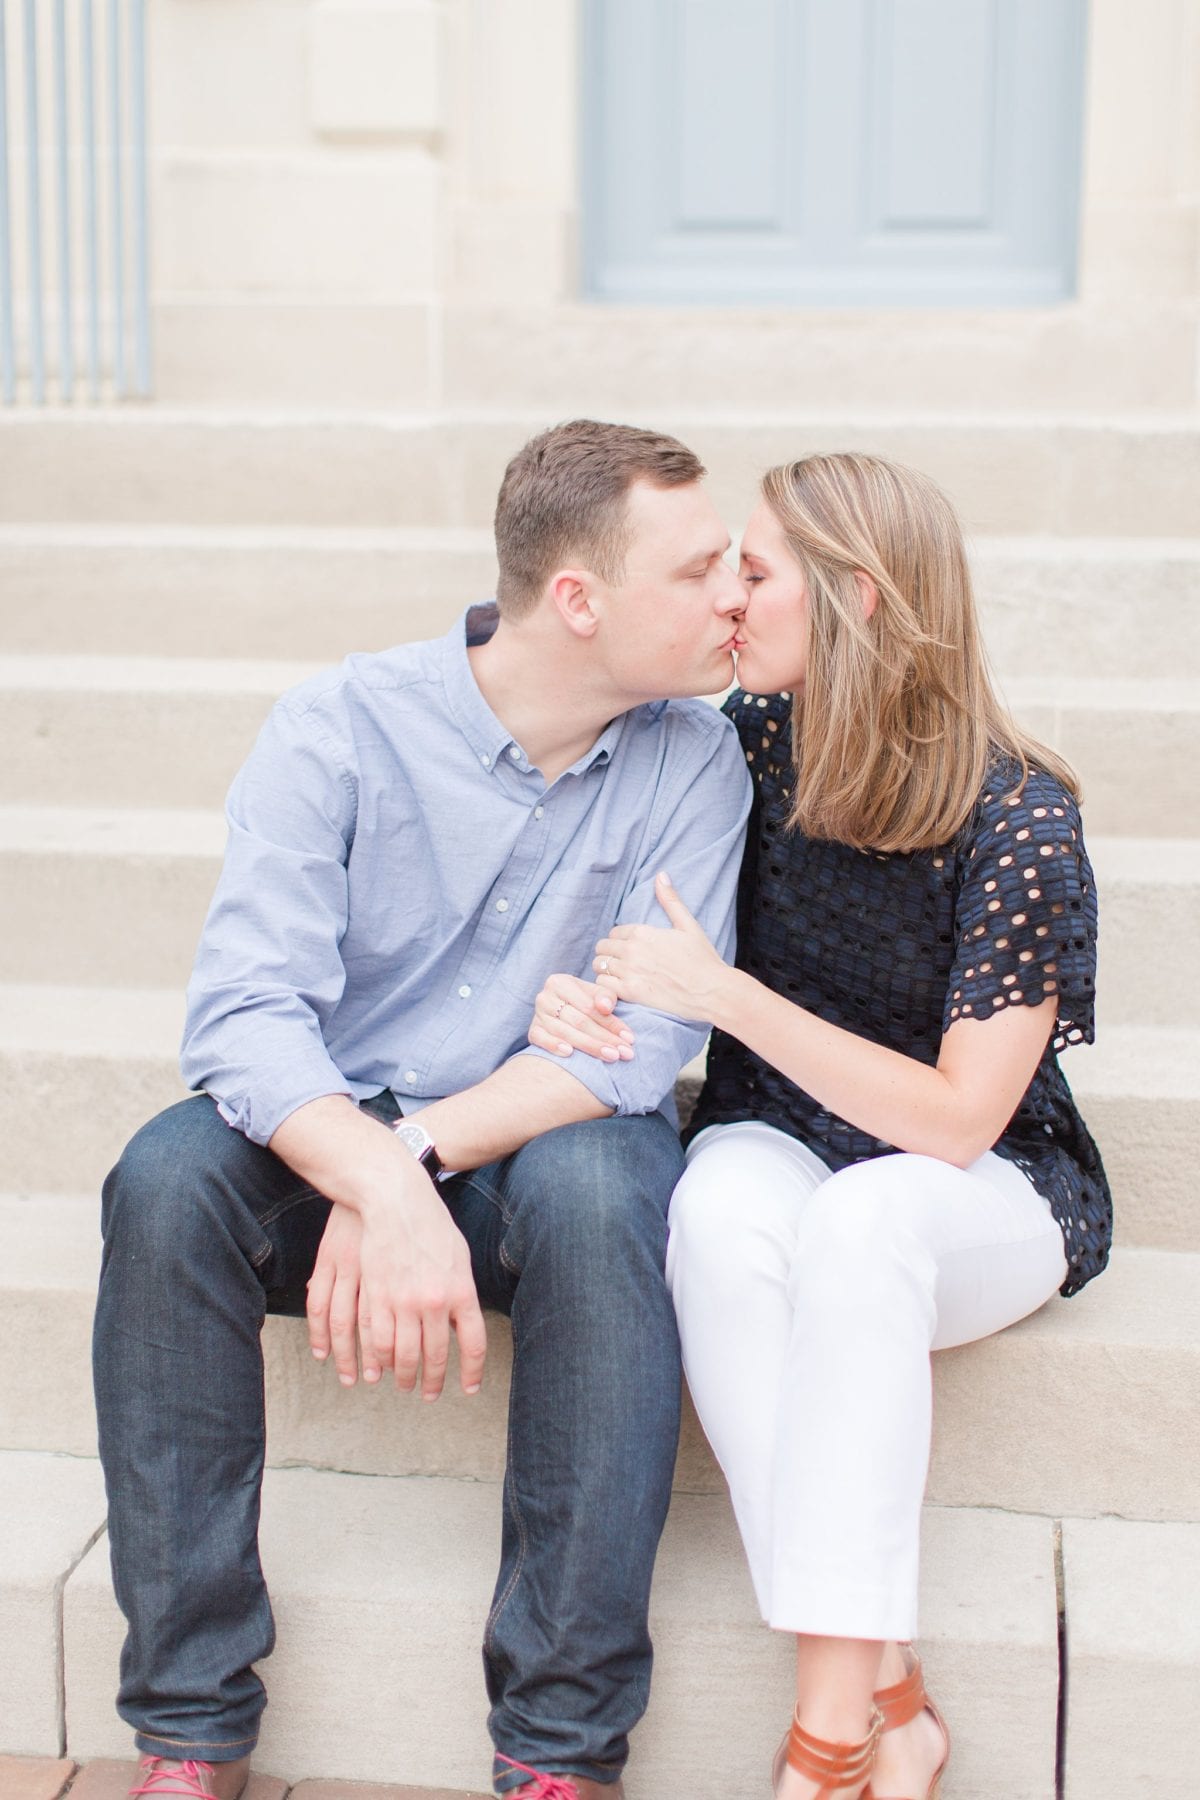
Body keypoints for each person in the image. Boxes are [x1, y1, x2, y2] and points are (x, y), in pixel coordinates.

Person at [93, 419, 754, 1800]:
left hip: (528, 1137)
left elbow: (640, 1051)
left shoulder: (699, 759)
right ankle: (187, 1730)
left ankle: (562, 1748)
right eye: (698, 572)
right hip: (344, 1118)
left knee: (608, 1186)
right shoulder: (339, 726)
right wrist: (380, 1182)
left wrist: (418, 1153)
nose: (736, 595)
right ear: (579, 600)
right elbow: (243, 1018)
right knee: (164, 1185)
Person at [529, 452, 1113, 1800]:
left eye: (753, 568)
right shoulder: (744, 745)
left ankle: (827, 1741)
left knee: (862, 1220)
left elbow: (964, 1121)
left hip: (984, 1190)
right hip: (775, 1137)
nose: (728, 598)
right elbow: (632, 930)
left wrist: (731, 996)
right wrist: (580, 997)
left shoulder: (1021, 815)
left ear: (850, 594)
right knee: (718, 1216)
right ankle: (891, 1696)